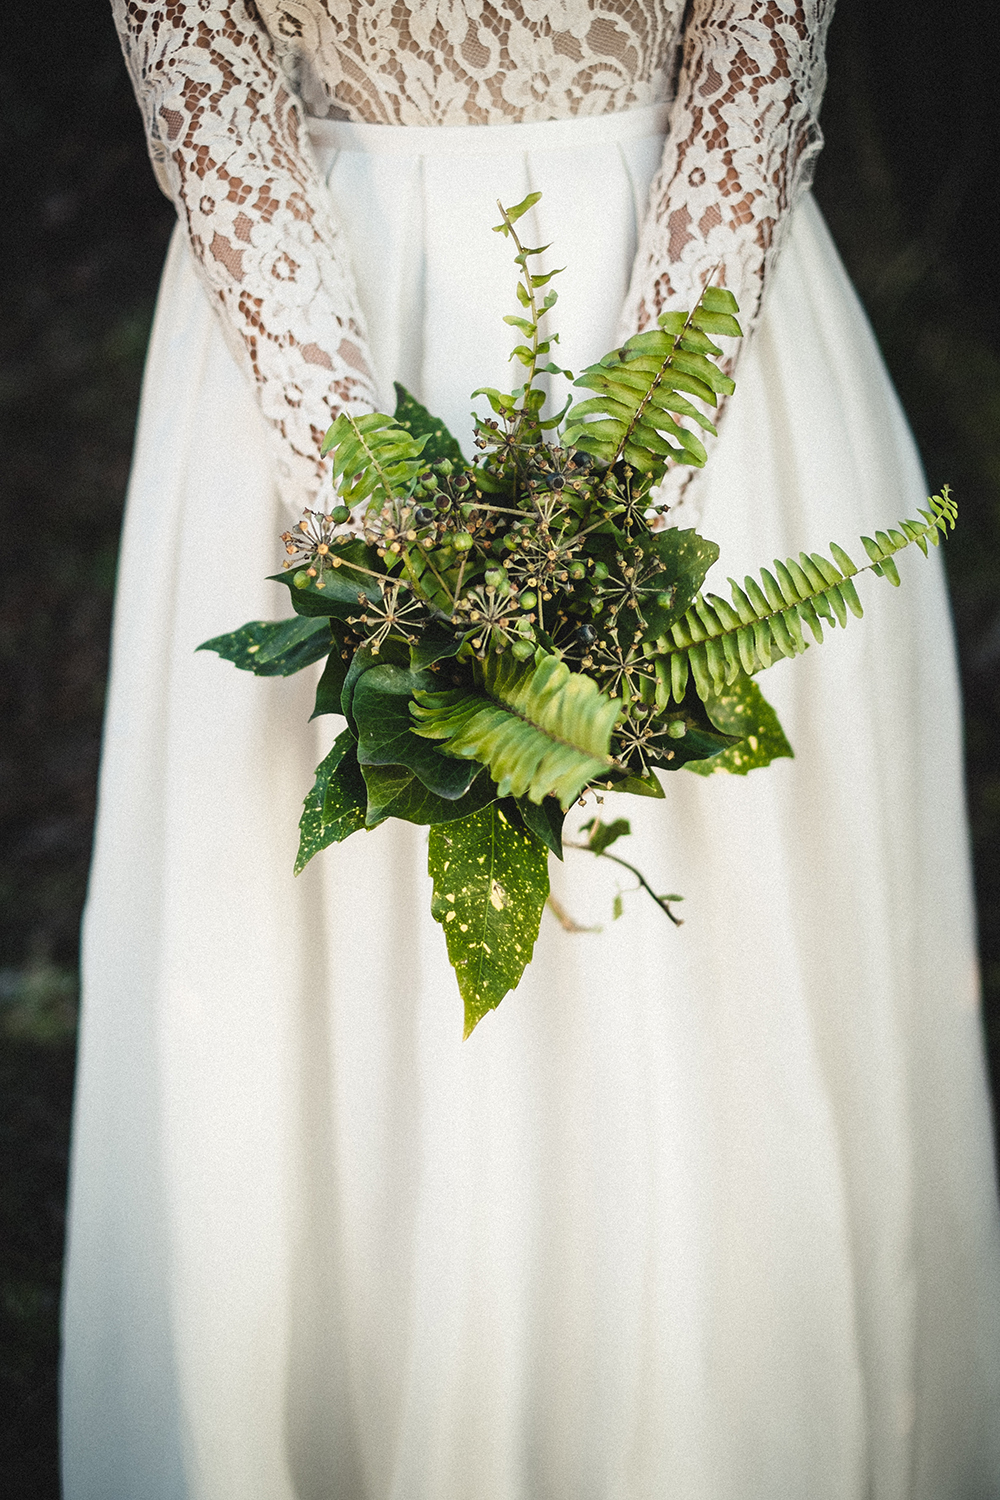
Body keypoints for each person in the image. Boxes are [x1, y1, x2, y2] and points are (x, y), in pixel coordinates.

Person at [62, 2, 1000, 1496]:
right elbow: (212, 96)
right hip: (306, 349)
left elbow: (750, 78)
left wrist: (620, 507)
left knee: (702, 961)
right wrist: (382, 548)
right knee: (346, 976)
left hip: (700, 335)